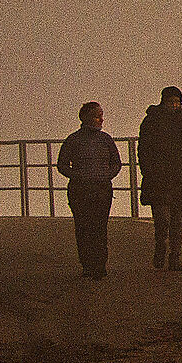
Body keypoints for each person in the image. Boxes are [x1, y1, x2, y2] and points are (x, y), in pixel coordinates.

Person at [54, 101, 121, 279]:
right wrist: (77, 175)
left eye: (101, 115)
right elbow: (62, 164)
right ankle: (87, 264)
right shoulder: (74, 139)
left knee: (100, 227)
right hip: (80, 189)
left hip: (101, 188)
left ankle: (99, 264)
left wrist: (107, 175)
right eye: (97, 115)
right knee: (83, 227)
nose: (101, 119)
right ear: (85, 118)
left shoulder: (106, 139)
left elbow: (116, 162)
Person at [136, 86, 182, 271]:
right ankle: (161, 246)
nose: (174, 105)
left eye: (176, 102)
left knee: (179, 220)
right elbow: (143, 148)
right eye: (170, 102)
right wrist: (147, 171)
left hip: (181, 174)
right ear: (163, 102)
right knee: (162, 219)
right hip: (158, 175)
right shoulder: (151, 120)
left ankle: (175, 255)